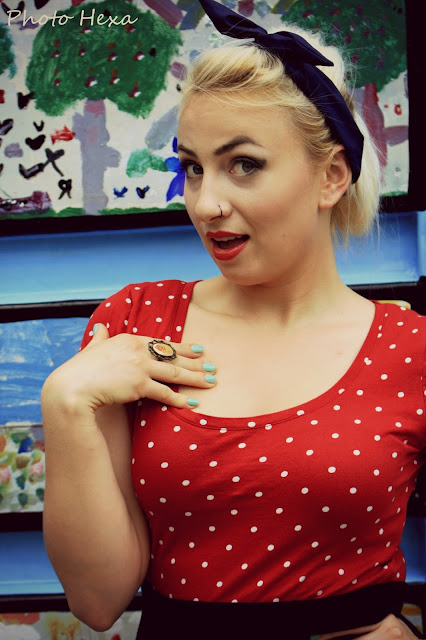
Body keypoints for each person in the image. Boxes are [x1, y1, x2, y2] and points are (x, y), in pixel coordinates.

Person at [40, 1, 425, 638]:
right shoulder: (137, 323)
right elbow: (97, 601)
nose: (205, 203)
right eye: (193, 168)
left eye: (243, 164)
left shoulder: (411, 349)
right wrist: (66, 402)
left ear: (331, 176)